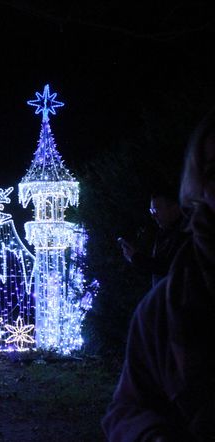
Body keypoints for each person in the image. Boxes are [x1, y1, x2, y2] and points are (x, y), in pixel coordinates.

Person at [103, 108, 215, 441]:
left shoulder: (176, 244)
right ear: (199, 188)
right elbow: (126, 410)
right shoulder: (160, 313)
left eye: (157, 207)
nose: (153, 214)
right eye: (214, 172)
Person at [119, 189, 188, 287]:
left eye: (156, 210)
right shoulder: (163, 234)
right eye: (151, 211)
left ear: (174, 207)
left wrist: (136, 258)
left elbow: (168, 267)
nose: (153, 216)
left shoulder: (186, 232)